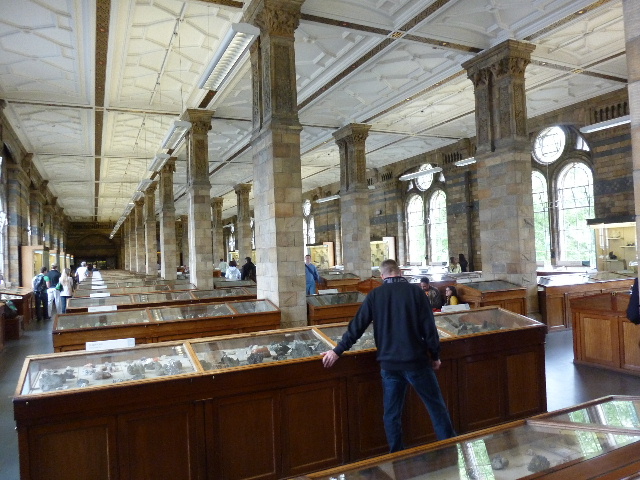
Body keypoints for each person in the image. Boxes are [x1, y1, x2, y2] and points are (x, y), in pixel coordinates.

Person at [322, 259, 455, 452]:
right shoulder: (416, 292)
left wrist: (337, 351)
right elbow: (429, 328)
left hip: (389, 365)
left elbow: (357, 326)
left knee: (392, 415)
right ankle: (450, 450)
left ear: (382, 276)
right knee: (436, 408)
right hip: (416, 361)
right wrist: (435, 356)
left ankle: (396, 456)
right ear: (399, 272)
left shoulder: (375, 295)